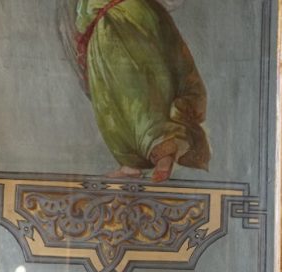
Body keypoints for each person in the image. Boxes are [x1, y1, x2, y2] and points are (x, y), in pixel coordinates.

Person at [61, 0, 211, 182]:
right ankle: (133, 163)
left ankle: (162, 150)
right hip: (142, 14)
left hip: (118, 19)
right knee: (148, 86)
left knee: (128, 94)